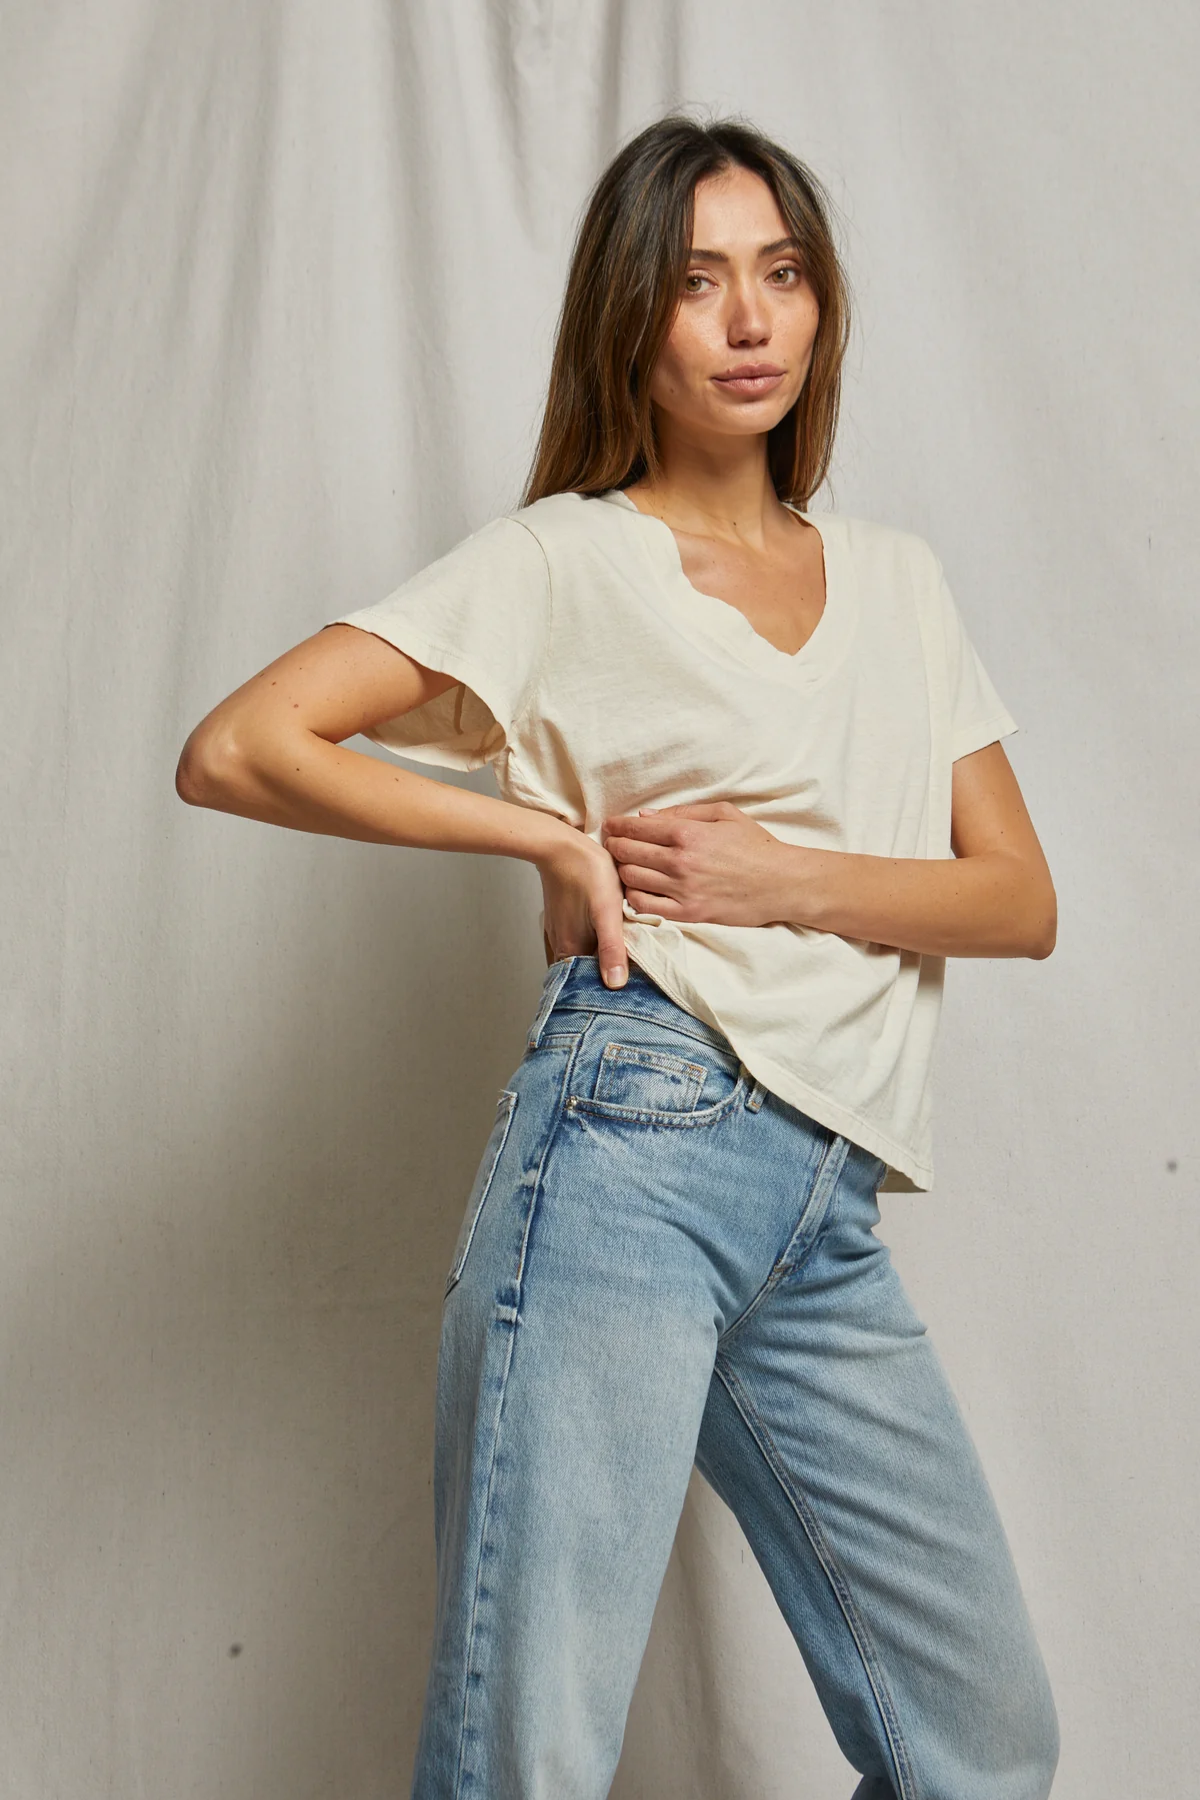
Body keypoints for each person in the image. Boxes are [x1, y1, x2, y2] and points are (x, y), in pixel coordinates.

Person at [177, 113, 1060, 1800]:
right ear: (630, 320)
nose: (750, 321)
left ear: (821, 309)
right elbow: (242, 746)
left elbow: (1016, 899)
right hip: (628, 1155)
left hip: (825, 1208)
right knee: (535, 1752)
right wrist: (546, 834)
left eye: (783, 276)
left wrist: (785, 875)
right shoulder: (562, 560)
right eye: (700, 281)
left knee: (984, 1742)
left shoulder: (897, 580)